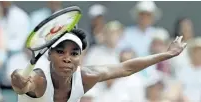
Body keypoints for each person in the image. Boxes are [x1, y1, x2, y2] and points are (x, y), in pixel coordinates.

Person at [10, 28, 187, 102]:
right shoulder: (40, 79)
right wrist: (19, 80)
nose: (67, 58)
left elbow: (126, 68)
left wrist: (167, 54)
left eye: (74, 53)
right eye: (60, 52)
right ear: (49, 55)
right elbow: (22, 84)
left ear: (80, 58)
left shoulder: (87, 76)